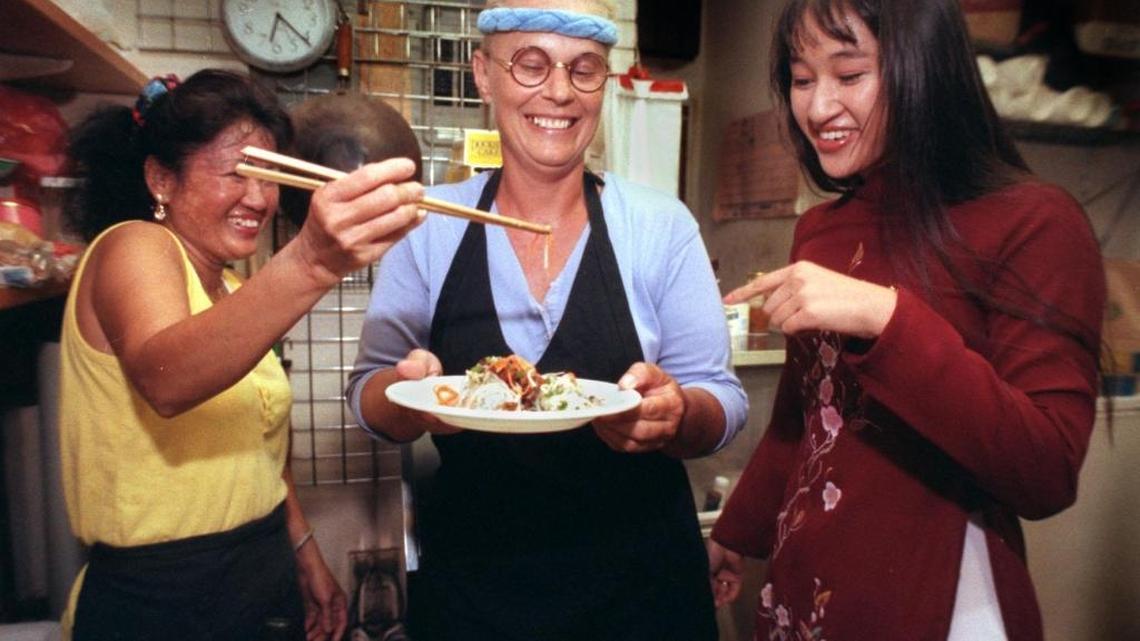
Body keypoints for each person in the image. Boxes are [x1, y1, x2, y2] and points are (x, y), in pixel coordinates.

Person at [345, 0, 748, 639]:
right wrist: (408, 394)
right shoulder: (431, 226)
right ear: (483, 74)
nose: (559, 92)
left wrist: (677, 414)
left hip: (642, 587)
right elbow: (367, 397)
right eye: (531, 65)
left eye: (583, 68)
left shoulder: (659, 225)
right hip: (478, 587)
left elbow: (722, 401)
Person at [706, 1, 1106, 640]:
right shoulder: (821, 228)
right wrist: (737, 531)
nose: (818, 107)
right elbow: (807, 414)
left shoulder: (1035, 220)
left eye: (850, 74)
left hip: (940, 599)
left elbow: (1046, 472)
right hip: (809, 581)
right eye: (802, 79)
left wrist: (887, 317)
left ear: (926, 71)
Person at [59, 69, 425, 641]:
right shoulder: (133, 245)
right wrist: (313, 261)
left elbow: (260, 450)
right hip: (160, 595)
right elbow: (167, 379)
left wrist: (304, 552)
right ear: (161, 178)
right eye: (236, 173)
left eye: (269, 176)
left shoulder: (234, 289)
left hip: (261, 568)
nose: (259, 198)